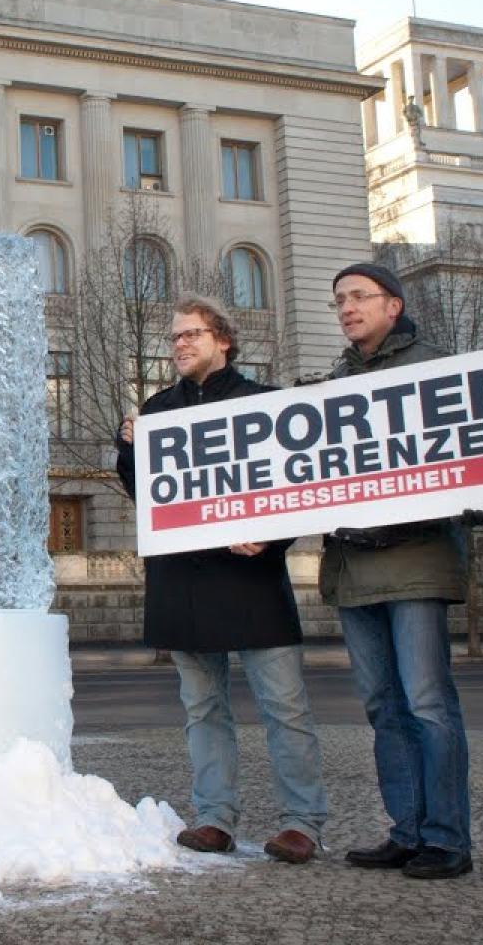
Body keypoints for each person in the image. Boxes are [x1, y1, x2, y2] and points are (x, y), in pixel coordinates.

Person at [114, 297, 328, 863]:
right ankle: (214, 818)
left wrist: (274, 538)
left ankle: (302, 822)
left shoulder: (267, 404)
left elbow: (295, 486)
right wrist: (128, 449)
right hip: (181, 579)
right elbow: (148, 498)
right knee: (203, 709)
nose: (180, 344)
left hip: (250, 577)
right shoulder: (156, 411)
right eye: (175, 337)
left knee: (285, 707)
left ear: (223, 340)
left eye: (192, 335)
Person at [319, 263, 475, 879]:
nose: (347, 308)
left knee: (428, 703)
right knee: (384, 706)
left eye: (360, 296)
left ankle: (446, 837)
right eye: (339, 300)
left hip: (415, 563)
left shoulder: (435, 366)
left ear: (394, 304)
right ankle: (407, 829)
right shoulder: (335, 379)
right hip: (354, 567)